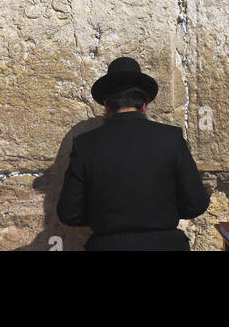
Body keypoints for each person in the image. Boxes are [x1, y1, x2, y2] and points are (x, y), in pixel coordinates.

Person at [57, 56, 210, 251]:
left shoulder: (85, 144)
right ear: (144, 104)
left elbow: (69, 213)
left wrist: (105, 218)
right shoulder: (171, 138)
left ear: (106, 105)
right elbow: (196, 204)